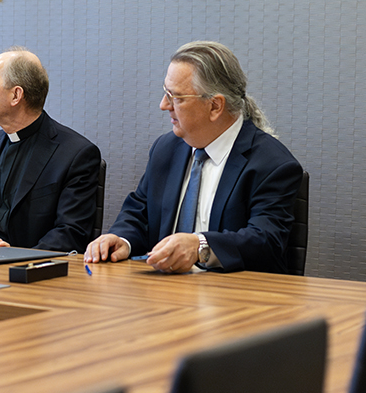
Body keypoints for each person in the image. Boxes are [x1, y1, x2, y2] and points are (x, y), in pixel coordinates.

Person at [85, 41, 303, 274]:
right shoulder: (166, 148)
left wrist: (200, 246)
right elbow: (139, 212)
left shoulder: (272, 164)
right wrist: (121, 239)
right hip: (162, 295)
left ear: (215, 106)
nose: (163, 105)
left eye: (176, 97)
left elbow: (265, 241)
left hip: (235, 299)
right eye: (165, 93)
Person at [0, 46, 101, 252]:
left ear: (16, 95)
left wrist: (14, 255)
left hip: (25, 272)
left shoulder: (76, 154)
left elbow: (70, 233)